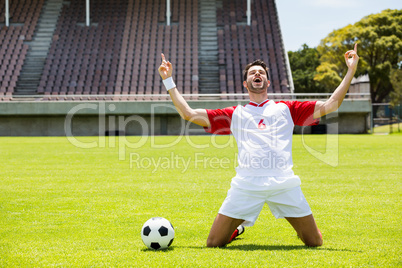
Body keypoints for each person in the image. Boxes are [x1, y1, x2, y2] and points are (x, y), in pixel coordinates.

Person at [158, 44, 359, 247]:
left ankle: (303, 227)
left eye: (261, 73)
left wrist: (351, 70)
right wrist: (168, 80)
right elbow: (189, 114)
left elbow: (332, 104)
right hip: (247, 185)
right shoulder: (235, 113)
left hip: (283, 183)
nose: (257, 74)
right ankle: (237, 229)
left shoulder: (287, 109)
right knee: (213, 243)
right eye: (253, 73)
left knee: (314, 242)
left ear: (267, 82)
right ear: (246, 83)